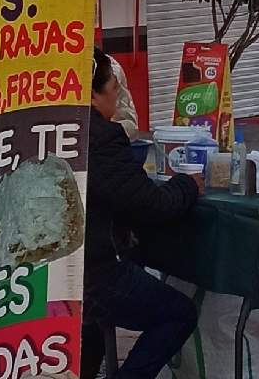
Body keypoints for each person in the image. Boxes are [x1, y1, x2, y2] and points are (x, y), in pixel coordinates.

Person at [81, 48, 204, 379]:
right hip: (93, 277)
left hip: (62, 275)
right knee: (178, 313)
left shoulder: (47, 127)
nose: (117, 100)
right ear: (93, 96)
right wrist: (187, 185)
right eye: (113, 91)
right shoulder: (100, 138)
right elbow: (154, 206)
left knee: (91, 320)